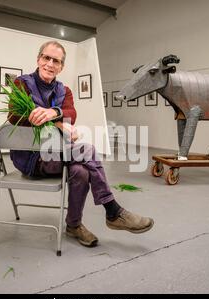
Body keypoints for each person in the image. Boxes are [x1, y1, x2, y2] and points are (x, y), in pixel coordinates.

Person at [8, 41, 154, 247]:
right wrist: (56, 122)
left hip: (58, 155)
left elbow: (72, 114)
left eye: (56, 61)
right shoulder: (21, 84)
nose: (50, 64)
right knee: (88, 150)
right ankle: (112, 210)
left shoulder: (63, 90)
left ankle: (74, 225)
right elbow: (13, 116)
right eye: (46, 58)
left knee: (81, 172)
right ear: (38, 59)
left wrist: (54, 113)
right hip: (32, 159)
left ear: (61, 67)